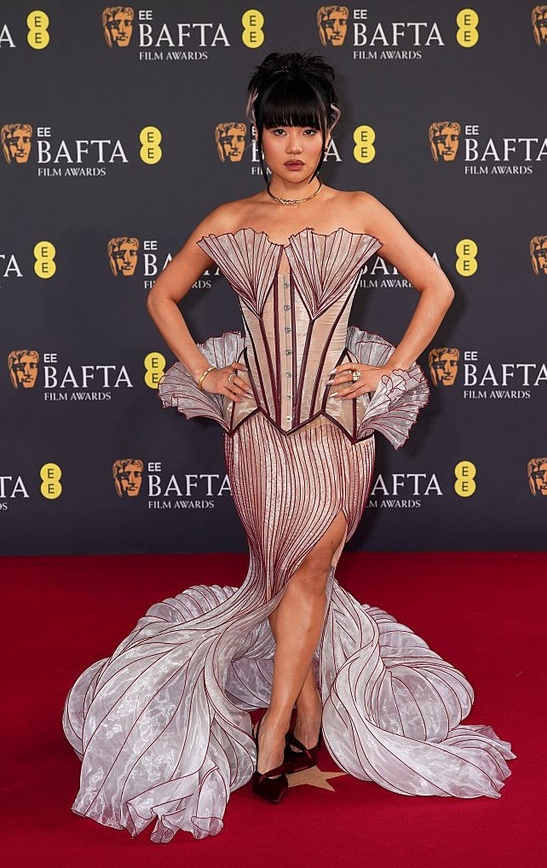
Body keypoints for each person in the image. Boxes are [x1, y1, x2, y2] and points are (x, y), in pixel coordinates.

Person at [63, 52, 514, 843]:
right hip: (259, 433)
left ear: (329, 131)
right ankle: (304, 704)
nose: (294, 142)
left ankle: (273, 728)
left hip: (337, 432)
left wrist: (387, 369)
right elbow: (162, 295)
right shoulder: (232, 219)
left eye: (307, 125)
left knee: (312, 563)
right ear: (257, 134)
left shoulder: (360, 209)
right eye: (279, 127)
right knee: (284, 572)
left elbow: (436, 287)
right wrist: (205, 367)